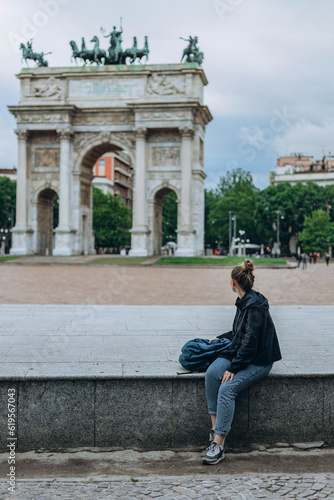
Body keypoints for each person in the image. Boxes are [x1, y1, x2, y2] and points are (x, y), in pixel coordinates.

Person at [202, 259, 282, 465]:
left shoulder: (254, 306)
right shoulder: (245, 301)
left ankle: (219, 444)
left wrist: (234, 367)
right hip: (243, 354)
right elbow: (239, 333)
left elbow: (250, 342)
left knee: (227, 388)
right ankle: (214, 429)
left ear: (233, 282)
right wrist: (220, 337)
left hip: (258, 361)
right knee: (212, 374)